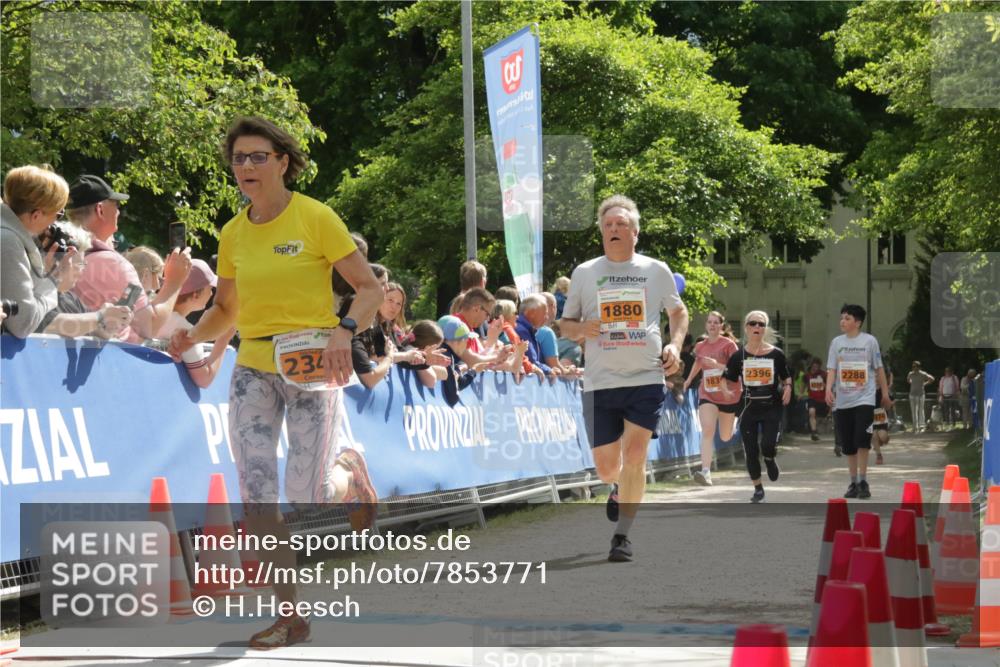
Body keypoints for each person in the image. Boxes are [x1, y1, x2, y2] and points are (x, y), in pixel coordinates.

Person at [168, 116, 383, 650]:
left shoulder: (315, 217)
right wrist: (187, 337)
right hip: (253, 369)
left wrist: (345, 331)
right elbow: (226, 309)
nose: (246, 167)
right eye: (239, 158)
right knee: (258, 498)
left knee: (305, 494)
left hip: (314, 361)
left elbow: (369, 289)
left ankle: (348, 471)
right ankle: (291, 617)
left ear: (282, 162)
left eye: (257, 157)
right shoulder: (232, 233)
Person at [559, 194, 688, 562]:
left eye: (620, 225)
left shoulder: (655, 270)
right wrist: (582, 327)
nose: (613, 230)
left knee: (635, 455)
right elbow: (566, 327)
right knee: (605, 468)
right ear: (601, 232)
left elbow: (679, 314)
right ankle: (615, 488)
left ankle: (622, 536)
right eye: (607, 226)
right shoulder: (585, 273)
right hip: (600, 381)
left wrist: (676, 347)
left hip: (646, 375)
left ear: (635, 231)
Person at [67, 174, 192, 343]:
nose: (119, 211)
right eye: (116, 205)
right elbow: (150, 326)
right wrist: (174, 282)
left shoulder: (56, 253)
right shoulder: (114, 264)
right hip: (106, 364)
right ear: (100, 210)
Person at [720, 311, 791, 503]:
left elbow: (786, 376)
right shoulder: (739, 355)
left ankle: (769, 458)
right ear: (746, 327)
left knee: (767, 445)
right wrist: (726, 392)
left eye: (761, 324)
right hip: (748, 406)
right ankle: (758, 488)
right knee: (750, 450)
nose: (756, 327)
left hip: (771, 405)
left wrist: (788, 388)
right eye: (752, 324)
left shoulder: (776, 354)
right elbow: (726, 379)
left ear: (765, 328)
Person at [825, 304, 893, 500]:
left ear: (858, 322)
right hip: (842, 400)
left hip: (865, 398)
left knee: (862, 440)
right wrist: (828, 389)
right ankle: (853, 482)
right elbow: (832, 369)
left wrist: (885, 393)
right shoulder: (837, 343)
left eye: (847, 318)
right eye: (841, 318)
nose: (842, 321)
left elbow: (879, 369)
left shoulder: (869, 341)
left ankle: (863, 481)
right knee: (848, 444)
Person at [1, 165, 77, 338]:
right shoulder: (8, 242)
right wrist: (52, 279)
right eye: (59, 213)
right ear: (36, 215)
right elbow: (23, 324)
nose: (56, 224)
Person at [36, 221, 132, 339]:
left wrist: (109, 324)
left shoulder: (71, 298)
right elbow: (51, 323)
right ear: (61, 260)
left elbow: (93, 330)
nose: (82, 270)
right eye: (80, 263)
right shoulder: (38, 294)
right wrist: (101, 316)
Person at [682, 311, 740, 486]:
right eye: (710, 322)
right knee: (707, 430)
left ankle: (735, 421)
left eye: (716, 322)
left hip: (728, 394)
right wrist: (689, 380)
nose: (712, 325)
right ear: (706, 325)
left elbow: (736, 368)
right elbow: (698, 363)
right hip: (707, 392)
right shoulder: (700, 346)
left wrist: (716, 365)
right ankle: (706, 471)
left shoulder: (729, 345)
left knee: (725, 436)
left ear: (721, 326)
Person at [155, 259, 235, 388]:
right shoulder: (185, 330)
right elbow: (204, 380)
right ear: (196, 295)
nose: (211, 293)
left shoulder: (150, 311)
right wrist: (223, 339)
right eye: (210, 288)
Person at [516, 294, 558, 377]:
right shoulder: (521, 330)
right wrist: (549, 370)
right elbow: (531, 360)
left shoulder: (527, 330)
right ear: (531, 313)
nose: (546, 318)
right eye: (544, 314)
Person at [906, 361, 934, 432]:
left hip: (921, 394)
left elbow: (932, 379)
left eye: (915, 366)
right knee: (913, 411)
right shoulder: (910, 373)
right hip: (912, 394)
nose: (913, 368)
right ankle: (915, 426)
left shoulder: (923, 374)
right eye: (913, 366)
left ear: (918, 367)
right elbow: (908, 380)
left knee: (921, 410)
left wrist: (924, 384)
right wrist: (912, 383)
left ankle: (921, 426)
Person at [805, 359, 828, 441]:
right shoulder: (807, 375)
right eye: (814, 366)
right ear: (811, 366)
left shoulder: (824, 374)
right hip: (812, 398)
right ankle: (813, 432)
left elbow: (828, 386)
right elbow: (805, 385)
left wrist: (822, 382)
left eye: (817, 366)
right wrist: (801, 394)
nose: (815, 368)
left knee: (819, 416)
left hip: (822, 399)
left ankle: (816, 430)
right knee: (812, 413)